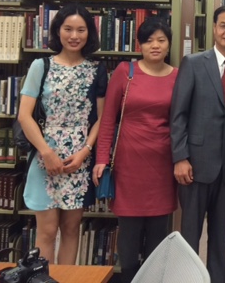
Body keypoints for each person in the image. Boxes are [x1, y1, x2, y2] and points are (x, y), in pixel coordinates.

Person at [170, 4, 225, 283]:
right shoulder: (193, 64)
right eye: (223, 26)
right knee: (190, 235)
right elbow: (178, 114)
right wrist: (180, 157)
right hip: (195, 165)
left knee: (220, 236)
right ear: (214, 28)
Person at [18, 3, 107, 264]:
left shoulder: (97, 69)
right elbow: (24, 115)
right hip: (44, 156)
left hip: (78, 161)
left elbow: (102, 118)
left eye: (81, 30)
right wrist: (46, 153)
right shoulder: (40, 66)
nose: (74, 36)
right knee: (46, 231)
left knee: (71, 229)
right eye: (68, 29)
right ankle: (43, 280)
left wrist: (85, 152)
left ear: (89, 33)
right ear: (58, 31)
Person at [92, 17, 178, 283]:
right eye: (149, 40)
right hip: (128, 166)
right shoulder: (125, 72)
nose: (155, 45)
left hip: (162, 166)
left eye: (161, 40)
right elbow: (108, 119)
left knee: (158, 238)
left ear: (169, 44)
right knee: (128, 241)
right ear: (139, 45)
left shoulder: (178, 76)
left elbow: (182, 122)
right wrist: (102, 158)